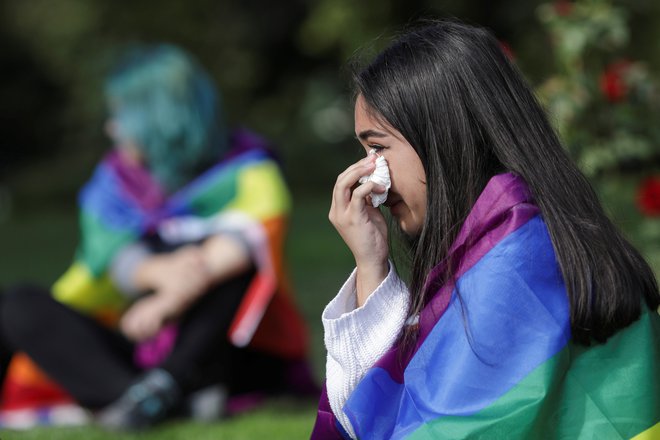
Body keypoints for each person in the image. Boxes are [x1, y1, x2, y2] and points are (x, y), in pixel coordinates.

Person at [312, 20, 660, 439]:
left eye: (378, 147)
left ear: (443, 134)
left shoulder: (518, 259)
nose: (369, 175)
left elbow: (428, 427)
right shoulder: (512, 238)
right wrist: (371, 264)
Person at [0, 44, 315, 430]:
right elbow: (110, 256)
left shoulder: (247, 167)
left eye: (119, 115)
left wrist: (171, 296)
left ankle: (165, 386)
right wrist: (157, 271)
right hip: (134, 337)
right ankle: (143, 397)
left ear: (160, 116)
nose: (110, 128)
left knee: (228, 263)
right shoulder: (112, 183)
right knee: (15, 304)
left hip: (219, 351)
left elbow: (250, 237)